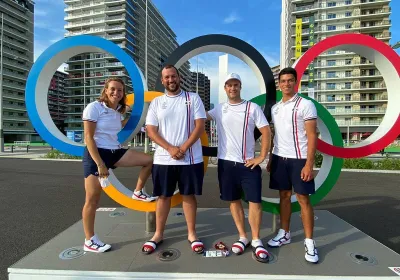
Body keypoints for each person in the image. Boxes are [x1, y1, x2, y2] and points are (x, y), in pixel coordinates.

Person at [82, 77, 154, 253]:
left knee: (149, 161)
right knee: (92, 199)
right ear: (106, 90)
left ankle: (138, 192)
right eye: (113, 89)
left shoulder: (117, 112)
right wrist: (100, 164)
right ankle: (89, 240)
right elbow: (88, 138)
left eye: (120, 90)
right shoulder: (94, 108)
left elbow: (117, 126)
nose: (116, 93)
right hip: (96, 154)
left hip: (115, 151)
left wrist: (136, 120)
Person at [142, 65, 206, 255]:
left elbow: (200, 126)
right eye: (167, 77)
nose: (171, 80)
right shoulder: (157, 102)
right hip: (163, 159)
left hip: (190, 159)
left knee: (188, 195)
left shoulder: (192, 98)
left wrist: (183, 148)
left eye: (173, 76)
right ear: (162, 81)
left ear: (179, 78)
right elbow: (151, 131)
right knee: (163, 196)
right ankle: (158, 234)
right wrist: (170, 148)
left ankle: (192, 234)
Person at [207, 73, 271, 263]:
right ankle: (243, 236)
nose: (232, 88)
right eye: (229, 85)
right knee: (233, 201)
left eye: (236, 85)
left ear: (240, 87)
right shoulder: (219, 109)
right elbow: (198, 119)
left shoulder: (252, 108)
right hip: (226, 164)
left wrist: (262, 156)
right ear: (225, 88)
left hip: (247, 163)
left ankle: (257, 239)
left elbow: (266, 131)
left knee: (255, 202)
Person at [266, 67, 319, 263]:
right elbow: (275, 136)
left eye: (290, 80)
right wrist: (271, 157)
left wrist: (309, 164)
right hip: (280, 158)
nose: (286, 84)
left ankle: (309, 242)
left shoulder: (306, 105)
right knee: (284, 196)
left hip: (299, 159)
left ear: (295, 82)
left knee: (304, 199)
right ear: (279, 84)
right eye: (283, 81)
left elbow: (313, 135)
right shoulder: (275, 108)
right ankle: (284, 233)